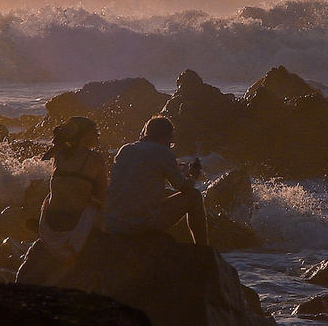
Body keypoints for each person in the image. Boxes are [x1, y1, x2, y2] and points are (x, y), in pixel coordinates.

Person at [17, 116, 107, 284]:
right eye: (96, 132)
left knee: (53, 195)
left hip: (50, 221)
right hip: (74, 223)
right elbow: (102, 194)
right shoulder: (95, 159)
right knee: (100, 207)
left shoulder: (58, 154)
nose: (98, 136)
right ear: (87, 134)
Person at [105, 115, 208, 245]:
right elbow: (183, 187)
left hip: (113, 223)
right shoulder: (163, 152)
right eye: (170, 142)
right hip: (139, 225)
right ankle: (202, 249)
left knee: (161, 192)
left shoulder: (125, 150)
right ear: (166, 137)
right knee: (194, 196)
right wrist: (193, 175)